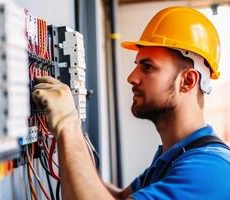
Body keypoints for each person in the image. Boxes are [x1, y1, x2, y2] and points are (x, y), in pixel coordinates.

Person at [33, 6, 230, 200]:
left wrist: (68, 126)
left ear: (187, 81)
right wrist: (75, 142)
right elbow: (118, 197)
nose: (131, 77)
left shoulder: (210, 171)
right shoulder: (173, 156)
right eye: (137, 65)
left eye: (148, 67)